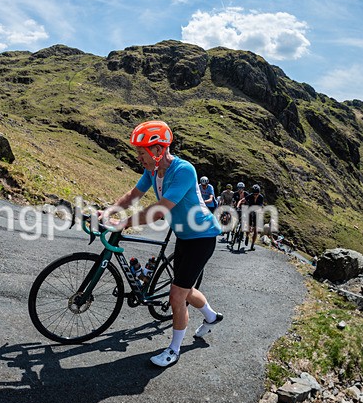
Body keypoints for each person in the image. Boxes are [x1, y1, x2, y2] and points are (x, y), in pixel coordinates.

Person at [100, 120, 223, 368]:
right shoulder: (152, 171)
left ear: (157, 150)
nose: (138, 157)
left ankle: (174, 350)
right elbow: (133, 196)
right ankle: (211, 316)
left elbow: (158, 211)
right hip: (183, 235)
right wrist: (109, 211)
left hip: (202, 237)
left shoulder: (184, 170)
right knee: (185, 288)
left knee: (177, 295)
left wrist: (122, 224)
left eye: (141, 151)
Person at [237, 184, 265, 251]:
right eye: (254, 194)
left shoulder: (261, 197)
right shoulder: (250, 196)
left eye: (257, 194)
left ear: (259, 193)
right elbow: (241, 200)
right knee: (248, 227)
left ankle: (252, 245)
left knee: (256, 230)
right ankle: (247, 236)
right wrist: (238, 206)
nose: (255, 195)